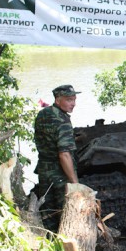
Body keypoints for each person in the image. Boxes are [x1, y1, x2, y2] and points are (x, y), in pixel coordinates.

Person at [34, 84, 81, 230]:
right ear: (58, 100)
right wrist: (75, 184)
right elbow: (64, 154)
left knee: (48, 213)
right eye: (69, 100)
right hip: (60, 174)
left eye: (74, 99)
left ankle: (50, 243)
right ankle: (68, 247)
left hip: (44, 171)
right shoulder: (63, 121)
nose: (73, 103)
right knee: (66, 214)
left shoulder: (43, 114)